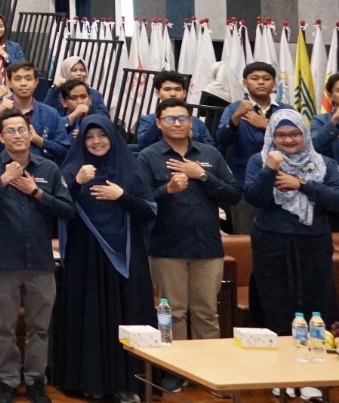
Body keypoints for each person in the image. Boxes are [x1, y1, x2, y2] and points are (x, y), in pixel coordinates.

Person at [0, 109, 75, 403]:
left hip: (41, 261)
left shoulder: (49, 169)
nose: (17, 135)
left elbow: (68, 211)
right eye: (10, 131)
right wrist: (3, 180)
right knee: (4, 327)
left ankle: (35, 381)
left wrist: (36, 192)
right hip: (3, 261)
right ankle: (6, 380)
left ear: (31, 133)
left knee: (39, 328)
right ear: (1, 137)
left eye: (22, 129)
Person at [51, 116, 156, 403]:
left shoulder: (129, 169)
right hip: (85, 257)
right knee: (90, 315)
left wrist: (121, 195)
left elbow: (149, 210)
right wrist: (76, 183)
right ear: (81, 141)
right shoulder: (72, 168)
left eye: (102, 135)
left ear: (112, 137)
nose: (96, 141)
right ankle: (90, 381)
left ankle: (127, 383)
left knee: (127, 314)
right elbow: (57, 209)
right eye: (89, 137)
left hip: (126, 255)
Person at [137, 84, 241, 363]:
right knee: (174, 312)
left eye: (183, 118)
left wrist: (203, 176)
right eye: (170, 119)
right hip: (166, 247)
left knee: (207, 311)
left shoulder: (209, 154)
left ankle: (209, 370)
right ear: (159, 124)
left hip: (207, 246)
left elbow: (233, 196)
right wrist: (166, 190)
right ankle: (175, 369)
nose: (177, 123)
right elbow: (139, 203)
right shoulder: (148, 157)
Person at [244, 110, 339, 357]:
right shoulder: (259, 160)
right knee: (276, 306)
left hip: (313, 243)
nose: (288, 140)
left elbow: (336, 200)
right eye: (281, 135)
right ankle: (281, 368)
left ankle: (313, 367)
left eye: (295, 134)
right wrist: (269, 170)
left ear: (305, 134)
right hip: (271, 244)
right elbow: (254, 197)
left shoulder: (325, 163)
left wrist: (302, 184)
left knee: (316, 307)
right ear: (271, 136)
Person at [217, 62, 284, 233]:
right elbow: (222, 140)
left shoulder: (285, 110)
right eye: (255, 78)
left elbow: (300, 143)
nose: (261, 82)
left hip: (282, 183)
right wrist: (237, 116)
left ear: (274, 84)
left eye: (266, 79)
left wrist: (266, 125)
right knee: (247, 237)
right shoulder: (234, 108)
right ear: (245, 83)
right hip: (245, 183)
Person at [0, 62, 71, 162]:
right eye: (17, 79)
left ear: (36, 82)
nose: (23, 83)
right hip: (3, 170)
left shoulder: (50, 113)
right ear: (10, 83)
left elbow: (64, 150)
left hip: (39, 172)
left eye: (28, 79)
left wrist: (38, 140)